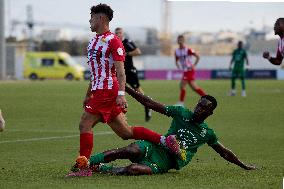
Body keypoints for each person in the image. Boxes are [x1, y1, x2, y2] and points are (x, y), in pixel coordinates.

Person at [71, 3, 181, 172]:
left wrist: (121, 95)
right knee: (125, 133)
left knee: (85, 124)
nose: (89, 21)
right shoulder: (93, 41)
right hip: (99, 91)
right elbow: (96, 73)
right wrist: (88, 94)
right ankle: (165, 140)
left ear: (101, 18)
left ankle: (84, 169)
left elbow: (121, 73)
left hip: (108, 91)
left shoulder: (114, 41)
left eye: (92, 17)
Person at [67, 86, 256, 177]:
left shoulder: (207, 133)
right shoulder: (181, 112)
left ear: (210, 113)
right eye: (199, 104)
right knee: (128, 150)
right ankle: (86, 164)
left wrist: (243, 165)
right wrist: (126, 89)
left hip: (167, 162)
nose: (199, 109)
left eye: (204, 108)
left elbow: (223, 151)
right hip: (156, 147)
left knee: (133, 170)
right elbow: (150, 103)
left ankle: (100, 169)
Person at [115, 27, 152, 122]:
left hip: (129, 71)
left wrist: (126, 53)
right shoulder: (114, 43)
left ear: (123, 34)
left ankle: (148, 106)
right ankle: (119, 113)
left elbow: (138, 52)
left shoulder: (127, 42)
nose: (118, 34)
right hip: (119, 72)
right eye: (117, 33)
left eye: (120, 32)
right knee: (117, 91)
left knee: (138, 91)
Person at [175, 35, 206, 106]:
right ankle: (206, 98)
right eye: (179, 39)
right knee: (194, 87)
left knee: (182, 85)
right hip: (185, 70)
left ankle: (181, 103)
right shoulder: (177, 51)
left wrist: (194, 65)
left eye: (181, 39)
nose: (180, 41)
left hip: (189, 70)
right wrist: (177, 64)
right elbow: (176, 59)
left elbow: (198, 57)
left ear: (183, 41)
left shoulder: (188, 50)